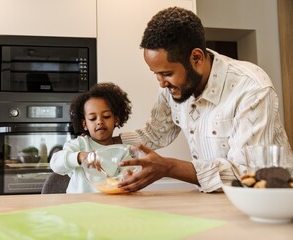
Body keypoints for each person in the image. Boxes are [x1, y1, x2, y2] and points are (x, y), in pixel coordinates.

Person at [116, 7, 293, 193]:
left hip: (271, 201)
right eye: (156, 74)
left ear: (196, 57)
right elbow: (156, 133)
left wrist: (169, 167)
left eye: (167, 74)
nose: (161, 84)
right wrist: (103, 141)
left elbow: (248, 172)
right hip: (214, 199)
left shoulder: (252, 87)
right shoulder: (174, 88)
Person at [50, 82, 132, 193]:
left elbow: (126, 178)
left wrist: (128, 177)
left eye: (106, 116)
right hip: (77, 206)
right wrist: (80, 156)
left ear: (116, 120)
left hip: (109, 206)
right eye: (93, 118)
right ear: (85, 124)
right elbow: (55, 163)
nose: (100, 122)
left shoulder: (123, 151)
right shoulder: (79, 145)